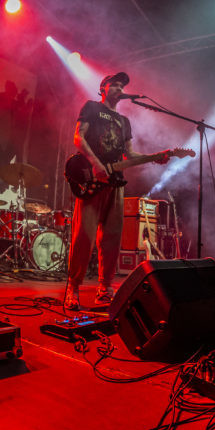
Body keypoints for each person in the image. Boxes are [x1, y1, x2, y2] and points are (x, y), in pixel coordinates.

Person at [63, 72, 167, 310]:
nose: (119, 89)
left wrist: (156, 157)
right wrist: (95, 163)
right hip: (92, 179)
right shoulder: (91, 107)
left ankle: (104, 288)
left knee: (111, 239)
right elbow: (79, 138)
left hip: (116, 182)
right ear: (103, 88)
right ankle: (74, 287)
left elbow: (129, 156)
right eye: (115, 85)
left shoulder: (123, 122)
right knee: (84, 236)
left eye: (122, 86)